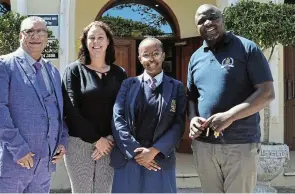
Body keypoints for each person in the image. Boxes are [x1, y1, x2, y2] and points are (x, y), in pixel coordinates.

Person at [187, 4, 275, 193]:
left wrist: (230, 116)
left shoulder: (247, 48)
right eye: (202, 20)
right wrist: (193, 118)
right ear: (197, 27)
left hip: (240, 144)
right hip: (204, 146)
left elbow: (267, 93)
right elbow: (191, 97)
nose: (208, 22)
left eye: (213, 17)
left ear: (222, 18)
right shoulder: (195, 58)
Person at [0, 16, 68, 193]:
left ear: (46, 37)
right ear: (21, 36)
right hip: (13, 161)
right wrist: (18, 149)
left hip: (44, 165)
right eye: (30, 31)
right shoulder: (1, 65)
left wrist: (61, 141)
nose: (35, 36)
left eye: (41, 32)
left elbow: (60, 110)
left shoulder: (52, 71)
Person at [110, 37, 186, 193]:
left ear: (163, 55)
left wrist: (153, 151)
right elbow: (117, 118)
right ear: (139, 59)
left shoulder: (176, 87)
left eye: (156, 53)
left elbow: (178, 124)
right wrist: (137, 152)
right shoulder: (128, 85)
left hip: (159, 159)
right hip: (129, 158)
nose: (151, 59)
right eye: (146, 55)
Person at [62, 21, 127, 193]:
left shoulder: (119, 73)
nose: (96, 42)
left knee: (103, 191)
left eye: (100, 37)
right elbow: (71, 110)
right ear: (85, 42)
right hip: (79, 142)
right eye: (91, 38)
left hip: (110, 143)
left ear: (108, 42)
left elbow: (124, 110)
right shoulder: (74, 70)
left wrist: (111, 139)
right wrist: (97, 140)